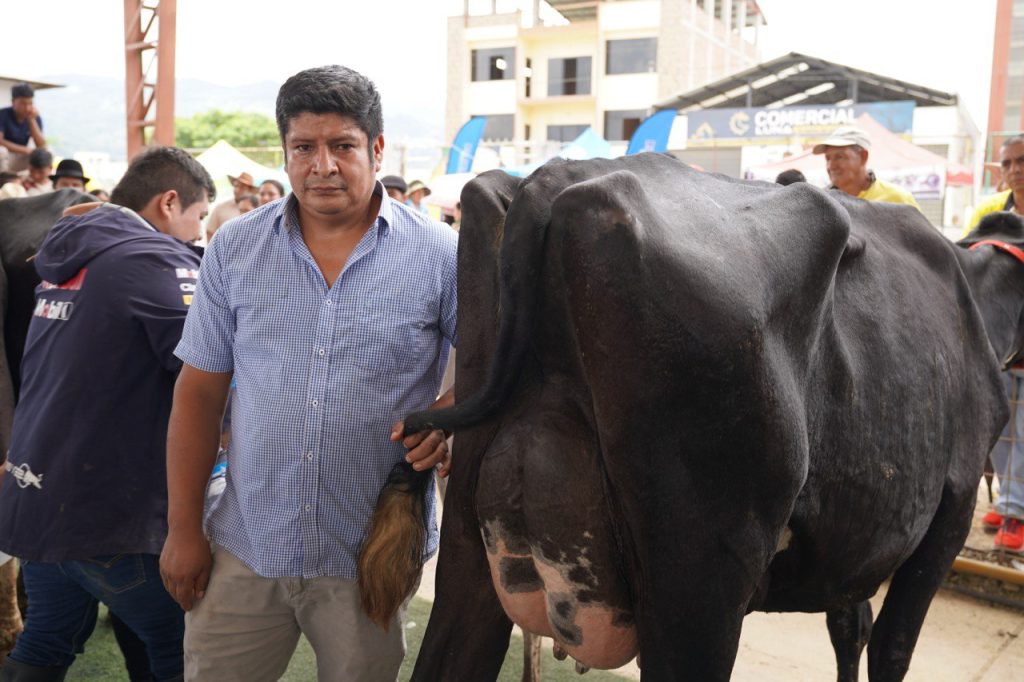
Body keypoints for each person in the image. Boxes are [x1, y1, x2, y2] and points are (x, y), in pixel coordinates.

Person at [160, 64, 457, 682]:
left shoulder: (439, 255)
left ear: (376, 149)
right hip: (246, 543)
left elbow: (494, 364)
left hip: (371, 551)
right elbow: (199, 394)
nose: (323, 166)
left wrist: (448, 416)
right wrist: (183, 530)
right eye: (304, 148)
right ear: (286, 152)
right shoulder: (235, 248)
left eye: (343, 146)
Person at [0, 146, 214, 681]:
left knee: (44, 643)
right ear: (169, 202)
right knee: (186, 651)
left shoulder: (72, 257)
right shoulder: (154, 259)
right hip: (110, 512)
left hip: (39, 497)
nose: (199, 233)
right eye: (200, 216)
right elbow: (210, 370)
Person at [963, 136, 1024, 553]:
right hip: (999, 347)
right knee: (1001, 429)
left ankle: (1016, 513)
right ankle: (1008, 503)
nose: (1015, 169)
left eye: (1022, 161)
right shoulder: (990, 212)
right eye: (1008, 163)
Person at [813, 126, 920, 208]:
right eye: (828, 158)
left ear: (863, 157)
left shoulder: (898, 199)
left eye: (839, 157)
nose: (831, 166)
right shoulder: (820, 203)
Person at [0, 84, 46, 174]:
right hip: (4, 157)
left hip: (21, 159)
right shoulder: (2, 114)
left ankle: (35, 180)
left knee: (46, 154)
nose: (27, 108)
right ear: (13, 102)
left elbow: (41, 145)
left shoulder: (35, 117)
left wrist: (32, 121)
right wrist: (25, 150)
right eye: (23, 103)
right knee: (1, 151)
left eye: (30, 103)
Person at [205, 171, 257, 241]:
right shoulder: (221, 208)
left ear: (250, 190)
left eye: (242, 187)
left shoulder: (257, 209)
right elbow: (210, 232)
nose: (237, 190)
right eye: (236, 186)